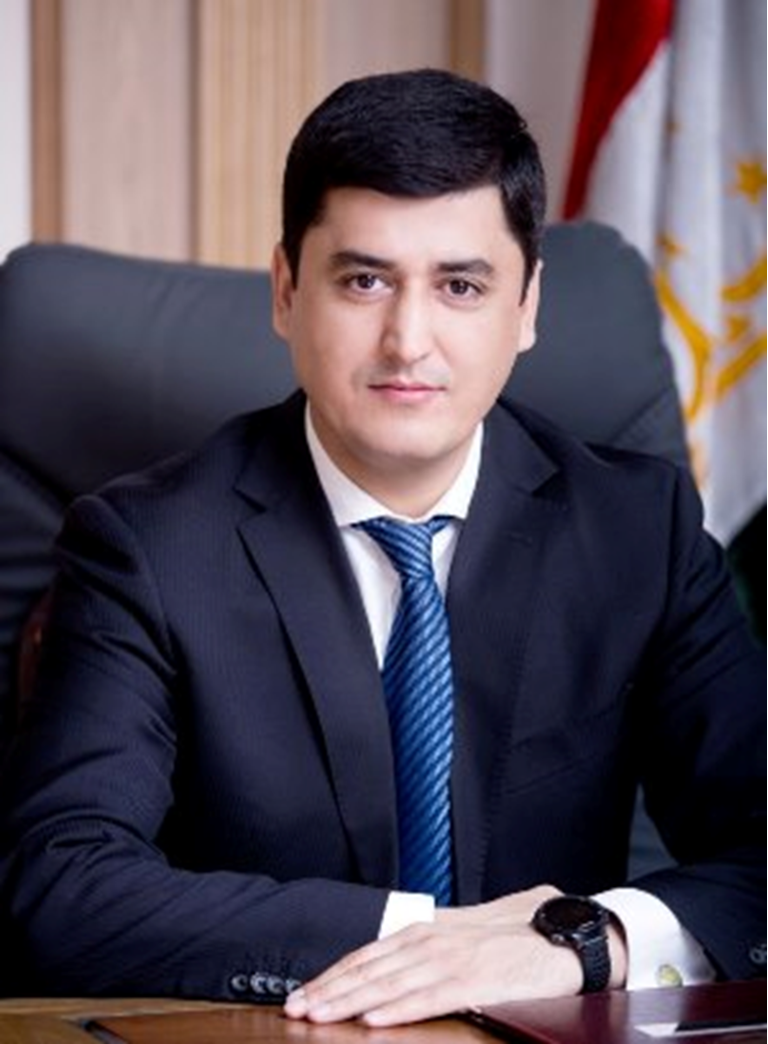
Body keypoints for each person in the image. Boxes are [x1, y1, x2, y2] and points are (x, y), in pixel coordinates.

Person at [0, 69, 765, 1028]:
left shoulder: (637, 530)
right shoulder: (147, 547)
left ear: (527, 306)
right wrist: (421, 942)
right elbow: (62, 884)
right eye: (364, 281)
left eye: (460, 286)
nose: (408, 340)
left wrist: (577, 941)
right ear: (287, 291)